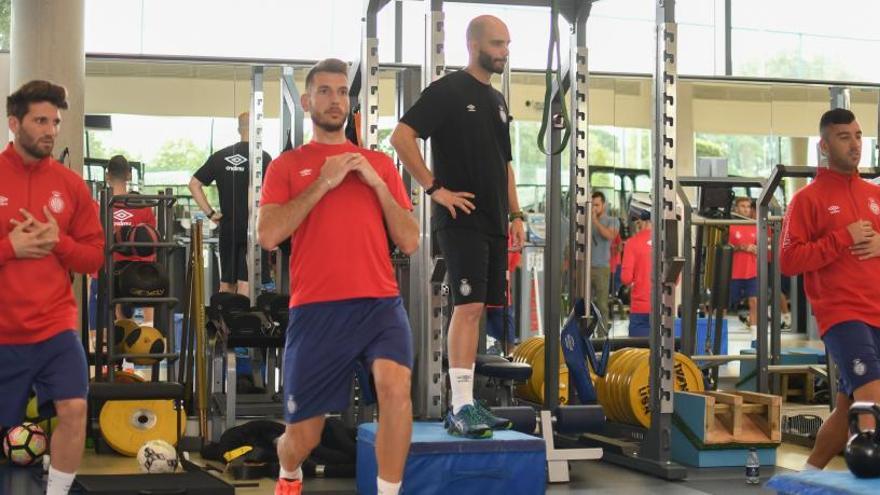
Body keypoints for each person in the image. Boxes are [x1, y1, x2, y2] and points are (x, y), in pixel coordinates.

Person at [257, 59, 418, 495]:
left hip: (379, 305)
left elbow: (410, 240)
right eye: (325, 91)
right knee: (303, 438)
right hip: (317, 310)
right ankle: (288, 471)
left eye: (342, 91)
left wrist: (379, 186)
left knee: (395, 387)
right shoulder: (288, 167)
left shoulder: (379, 164)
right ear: (308, 101)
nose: (335, 99)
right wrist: (324, 183)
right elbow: (269, 234)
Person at [390, 14, 524, 438]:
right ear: (475, 45)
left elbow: (505, 164)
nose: (504, 52)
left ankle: (466, 403)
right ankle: (460, 405)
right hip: (460, 218)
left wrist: (517, 214)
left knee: (478, 309)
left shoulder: (498, 101)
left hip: (493, 221)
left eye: (507, 45)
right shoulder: (447, 91)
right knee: (466, 309)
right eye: (498, 44)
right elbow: (402, 136)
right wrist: (435, 190)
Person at [0, 80, 104, 495]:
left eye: (55, 121)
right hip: (3, 329)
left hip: (54, 328)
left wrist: (57, 241)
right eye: (40, 120)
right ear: (14, 123)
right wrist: (11, 247)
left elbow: (93, 258)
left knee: (75, 408)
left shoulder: (70, 185)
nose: (50, 129)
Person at [779, 108, 880, 471]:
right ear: (824, 145)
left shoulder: (874, 194)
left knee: (846, 406)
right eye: (844, 137)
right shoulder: (808, 199)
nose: (855, 144)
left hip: (877, 311)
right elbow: (789, 260)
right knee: (872, 397)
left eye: (857, 135)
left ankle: (808, 476)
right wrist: (842, 237)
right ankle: (870, 476)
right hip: (842, 313)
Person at [189, 112, 273, 296]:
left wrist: (211, 213)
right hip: (253, 229)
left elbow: (194, 184)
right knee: (247, 283)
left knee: (226, 284)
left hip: (229, 228)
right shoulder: (263, 158)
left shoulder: (220, 157)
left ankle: (223, 323)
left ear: (238, 129)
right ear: (258, 130)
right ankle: (240, 324)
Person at [106, 154, 157, 325]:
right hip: (142, 271)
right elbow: (152, 238)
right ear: (129, 175)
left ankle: (123, 332)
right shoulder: (142, 204)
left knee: (114, 285)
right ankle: (149, 330)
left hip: (116, 270)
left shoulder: (102, 205)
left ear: (107, 176)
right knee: (149, 276)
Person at [485, 239, 522, 355]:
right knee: (508, 348)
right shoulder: (509, 236)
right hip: (500, 298)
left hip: (486, 299)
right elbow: (512, 266)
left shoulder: (510, 235)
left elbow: (513, 265)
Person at [590, 191, 619, 334]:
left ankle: (601, 337)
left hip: (602, 268)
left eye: (597, 205)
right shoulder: (586, 221)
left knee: (602, 305)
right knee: (585, 305)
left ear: (604, 205)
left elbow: (610, 235)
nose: (594, 208)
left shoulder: (611, 220)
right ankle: (585, 336)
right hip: (587, 268)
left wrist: (595, 222)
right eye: (592, 205)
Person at [729, 196, 758, 335]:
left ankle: (755, 333)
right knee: (724, 305)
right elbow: (725, 247)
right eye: (742, 206)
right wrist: (741, 247)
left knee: (754, 302)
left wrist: (757, 249)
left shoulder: (754, 225)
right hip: (734, 272)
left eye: (748, 207)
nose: (746, 209)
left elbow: (761, 246)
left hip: (751, 271)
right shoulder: (730, 226)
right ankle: (718, 333)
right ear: (736, 208)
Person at [620, 212, 652, 338]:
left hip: (640, 309)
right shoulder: (666, 242)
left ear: (643, 222)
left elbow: (626, 278)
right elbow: (675, 279)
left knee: (639, 355)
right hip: (663, 309)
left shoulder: (632, 243)